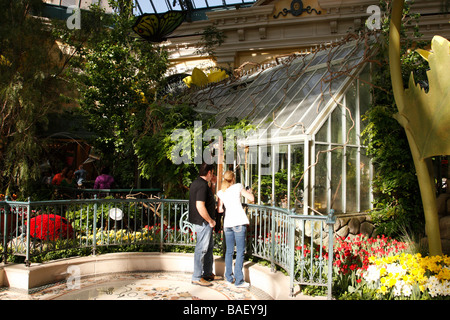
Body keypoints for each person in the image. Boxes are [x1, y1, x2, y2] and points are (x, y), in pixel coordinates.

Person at [217, 170, 254, 288]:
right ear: (233, 179)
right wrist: (249, 192)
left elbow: (220, 210)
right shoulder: (238, 186)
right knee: (240, 251)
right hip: (238, 222)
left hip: (227, 224)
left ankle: (229, 277)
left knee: (229, 251)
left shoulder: (221, 192)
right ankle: (239, 280)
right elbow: (251, 198)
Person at [189, 162, 221, 286]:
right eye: (212, 173)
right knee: (202, 249)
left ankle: (207, 273)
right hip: (203, 222)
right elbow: (200, 206)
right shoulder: (202, 186)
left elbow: (207, 199)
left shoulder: (198, 183)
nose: (213, 175)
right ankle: (197, 277)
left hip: (202, 222)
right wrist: (210, 220)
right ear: (209, 173)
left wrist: (213, 184)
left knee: (208, 248)